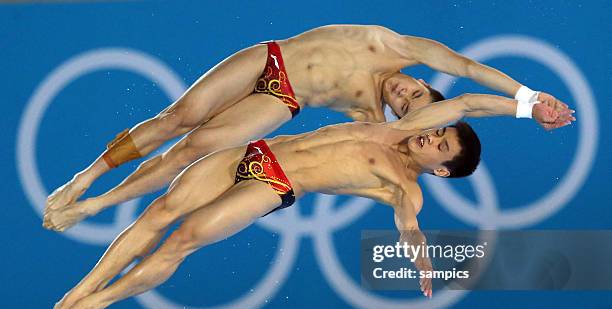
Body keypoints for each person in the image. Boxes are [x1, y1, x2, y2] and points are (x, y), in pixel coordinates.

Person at [48, 93, 574, 309]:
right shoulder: (396, 127)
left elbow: (408, 229)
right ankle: (77, 292)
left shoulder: (406, 187)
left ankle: (100, 302)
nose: (428, 136)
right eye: (435, 131)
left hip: (274, 184)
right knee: (159, 211)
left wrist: (421, 263)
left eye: (438, 145)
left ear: (441, 171)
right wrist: (529, 106)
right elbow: (470, 103)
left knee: (182, 238)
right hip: (254, 152)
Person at [42, 24, 568, 231]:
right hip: (272, 59)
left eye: (407, 110)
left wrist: (408, 221)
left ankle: (96, 206)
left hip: (283, 98)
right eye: (411, 91)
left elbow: (459, 115)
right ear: (419, 79)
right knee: (176, 119)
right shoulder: (401, 49)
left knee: (193, 148)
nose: (401, 97)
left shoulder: (371, 120)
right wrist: (527, 98)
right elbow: (471, 74)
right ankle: (85, 178)